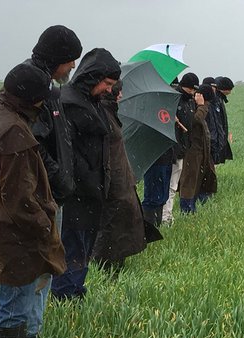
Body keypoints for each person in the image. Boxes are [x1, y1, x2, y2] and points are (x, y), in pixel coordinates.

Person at [0, 63, 65, 338]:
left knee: (14, 297)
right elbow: (20, 197)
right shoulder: (14, 132)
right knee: (14, 303)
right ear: (31, 99)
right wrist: (43, 225)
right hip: (15, 233)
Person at [51, 48, 122, 299]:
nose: (109, 89)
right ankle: (64, 297)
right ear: (92, 77)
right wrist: (85, 183)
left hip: (92, 193)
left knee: (83, 249)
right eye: (107, 83)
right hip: (75, 195)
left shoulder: (93, 103)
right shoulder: (67, 102)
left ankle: (75, 291)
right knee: (71, 249)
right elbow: (67, 155)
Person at [95, 79, 160, 271]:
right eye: (118, 91)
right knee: (113, 227)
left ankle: (115, 262)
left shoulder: (110, 112)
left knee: (122, 225)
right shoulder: (105, 114)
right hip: (115, 182)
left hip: (122, 179)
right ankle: (106, 264)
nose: (121, 95)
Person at [27, 25, 83, 204]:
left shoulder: (49, 85)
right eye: (70, 60)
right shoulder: (34, 87)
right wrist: (59, 180)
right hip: (43, 194)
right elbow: (34, 146)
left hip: (53, 193)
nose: (73, 65)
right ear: (56, 59)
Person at [160, 72, 199, 225]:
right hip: (172, 149)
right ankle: (164, 216)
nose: (193, 92)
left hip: (183, 148)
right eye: (191, 89)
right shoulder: (173, 100)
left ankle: (168, 215)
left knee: (174, 185)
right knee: (168, 185)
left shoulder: (190, 101)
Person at [178, 84, 216, 214]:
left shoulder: (196, 106)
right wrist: (202, 105)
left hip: (200, 153)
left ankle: (191, 211)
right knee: (189, 184)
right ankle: (186, 212)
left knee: (196, 184)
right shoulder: (192, 107)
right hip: (191, 153)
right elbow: (196, 120)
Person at [212, 76, 235, 164]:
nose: (230, 92)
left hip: (219, 136)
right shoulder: (216, 100)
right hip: (216, 137)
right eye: (229, 90)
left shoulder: (219, 99)